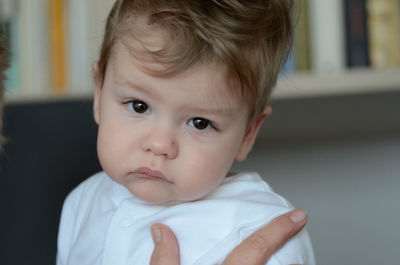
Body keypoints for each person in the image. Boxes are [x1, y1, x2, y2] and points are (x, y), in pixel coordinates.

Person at [57, 0, 315, 264]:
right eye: (139, 106)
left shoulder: (263, 236)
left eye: (200, 123)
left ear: (248, 134)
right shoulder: (82, 204)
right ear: (99, 95)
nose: (159, 144)